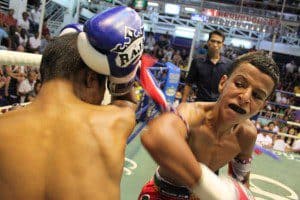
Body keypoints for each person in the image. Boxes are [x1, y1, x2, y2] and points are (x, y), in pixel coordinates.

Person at [0, 6, 144, 199]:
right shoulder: (114, 122)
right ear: (91, 79)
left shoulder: (4, 126)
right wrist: (124, 70)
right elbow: (126, 100)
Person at [139, 51, 279, 200]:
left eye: (257, 96)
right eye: (239, 84)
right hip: (162, 195)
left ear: (262, 106)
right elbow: (156, 136)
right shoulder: (192, 114)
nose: (245, 97)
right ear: (223, 83)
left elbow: (242, 181)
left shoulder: (246, 135)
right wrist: (211, 188)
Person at [182, 30, 232, 102]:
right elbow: (189, 83)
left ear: (222, 44)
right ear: (208, 42)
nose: (215, 44)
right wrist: (183, 103)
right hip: (200, 104)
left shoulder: (229, 64)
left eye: (218, 42)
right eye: (213, 41)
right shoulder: (197, 61)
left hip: (218, 106)